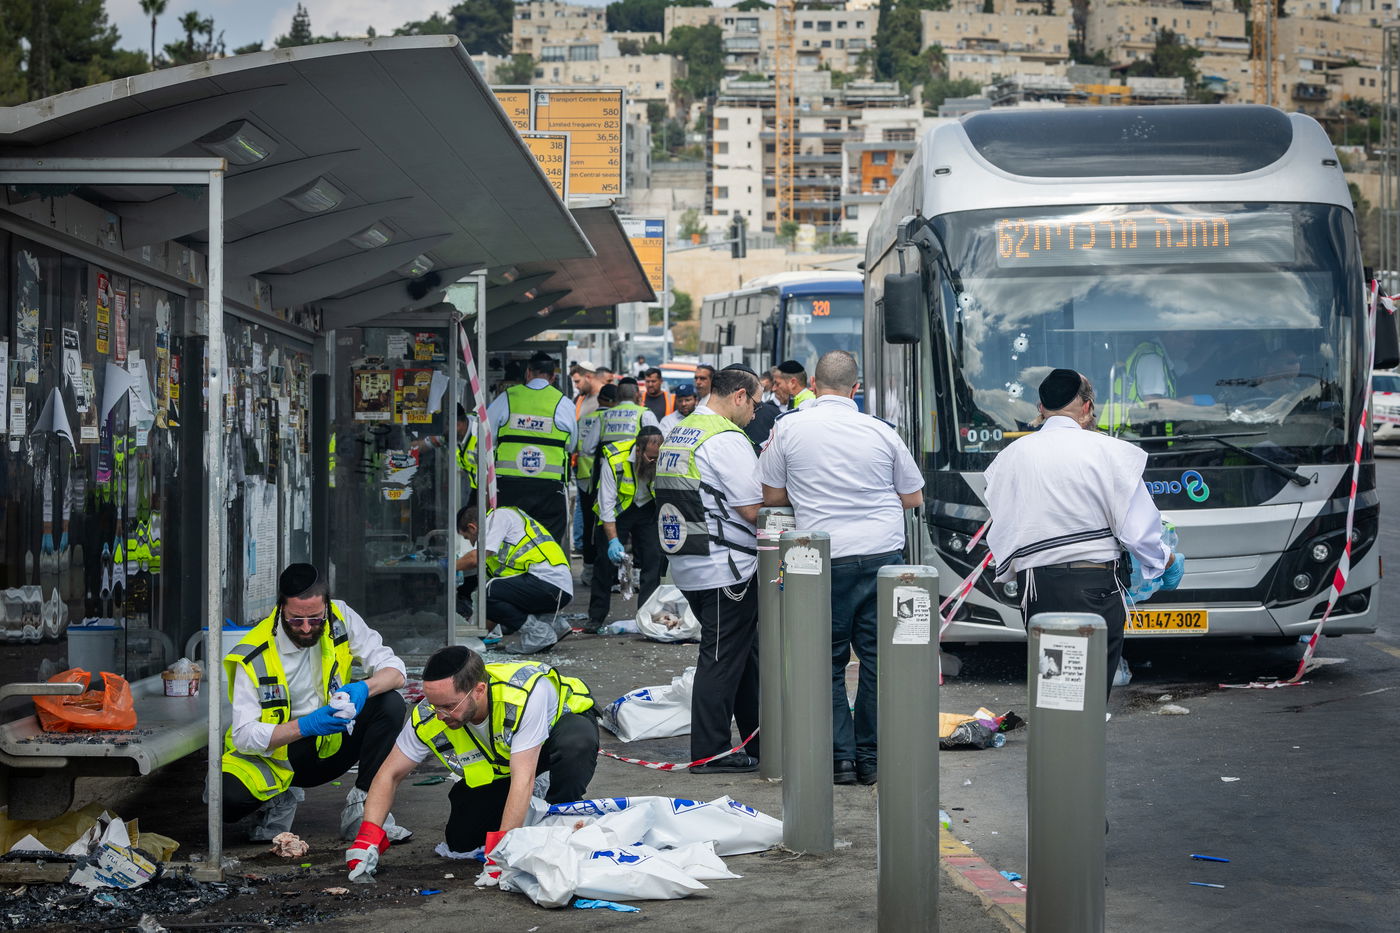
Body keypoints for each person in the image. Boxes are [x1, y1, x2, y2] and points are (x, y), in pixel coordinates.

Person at [758, 350, 924, 786]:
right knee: (878, 661)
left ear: (812, 384)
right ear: (856, 388)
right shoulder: (881, 431)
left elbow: (772, 497)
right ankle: (871, 758)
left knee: (826, 660)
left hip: (818, 561)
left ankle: (840, 759)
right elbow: (913, 498)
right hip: (882, 559)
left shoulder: (788, 427)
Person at [984, 369, 1185, 699]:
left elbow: (1004, 528)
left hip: (1036, 587)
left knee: (1055, 688)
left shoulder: (1010, 457)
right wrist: (1167, 560)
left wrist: (1014, 572)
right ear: (1088, 406)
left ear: (1040, 408)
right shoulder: (1111, 451)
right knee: (1089, 694)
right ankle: (1081, 747)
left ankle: (1056, 748)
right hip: (1095, 586)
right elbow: (1138, 533)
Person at [347, 646, 597, 879]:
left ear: (479, 689)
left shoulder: (523, 696)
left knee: (575, 746)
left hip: (554, 738)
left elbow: (523, 778)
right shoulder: (431, 715)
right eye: (434, 705)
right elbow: (389, 774)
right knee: (462, 840)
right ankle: (532, 804)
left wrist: (502, 851)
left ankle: (559, 815)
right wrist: (367, 839)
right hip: (504, 762)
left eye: (449, 706)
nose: (440, 715)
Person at [222, 563, 410, 842]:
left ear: (326, 606)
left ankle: (365, 812)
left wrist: (363, 688)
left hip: (333, 744)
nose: (308, 628)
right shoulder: (253, 654)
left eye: (315, 618)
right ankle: (279, 799)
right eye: (296, 620)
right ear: (281, 609)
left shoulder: (339, 616)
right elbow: (243, 736)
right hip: (280, 755)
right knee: (226, 800)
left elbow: (395, 669)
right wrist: (307, 725)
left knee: (390, 704)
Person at [656, 365, 764, 773]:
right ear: (738, 396)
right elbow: (753, 508)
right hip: (726, 567)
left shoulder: (682, 431)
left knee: (742, 656)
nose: (755, 414)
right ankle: (711, 752)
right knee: (720, 658)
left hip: (691, 562)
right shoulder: (725, 440)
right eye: (754, 404)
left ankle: (758, 739)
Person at [487, 350, 576, 546]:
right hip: (549, 489)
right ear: (553, 377)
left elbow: (486, 436)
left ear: (528, 373)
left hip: (510, 487)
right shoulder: (564, 403)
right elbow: (572, 444)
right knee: (546, 544)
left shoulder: (506, 398)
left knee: (509, 540)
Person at [457, 505, 573, 649]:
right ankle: (553, 624)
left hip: (549, 583)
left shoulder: (498, 517)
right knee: (488, 593)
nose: (470, 543)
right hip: (554, 587)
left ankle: (538, 633)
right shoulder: (496, 548)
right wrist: (473, 639)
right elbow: (493, 608)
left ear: (472, 528)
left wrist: (447, 567)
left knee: (485, 591)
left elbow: (474, 559)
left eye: (467, 537)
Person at [588, 426, 664, 633]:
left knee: (653, 560)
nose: (654, 462)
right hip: (618, 511)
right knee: (605, 562)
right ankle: (596, 617)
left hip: (647, 509)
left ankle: (645, 617)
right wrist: (613, 540)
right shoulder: (614, 460)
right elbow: (606, 506)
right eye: (650, 458)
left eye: (657, 458)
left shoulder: (661, 458)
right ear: (638, 451)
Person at [574, 384, 617, 565]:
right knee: (609, 523)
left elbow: (578, 447)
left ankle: (589, 566)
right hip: (610, 479)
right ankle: (608, 565)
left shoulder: (584, 419)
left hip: (585, 478)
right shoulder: (612, 420)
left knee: (588, 523)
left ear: (600, 399)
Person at [600, 379, 659, 446]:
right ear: (637, 394)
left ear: (617, 394)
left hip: (607, 456)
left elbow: (589, 448)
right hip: (633, 456)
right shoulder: (645, 414)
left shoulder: (603, 415)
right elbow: (656, 441)